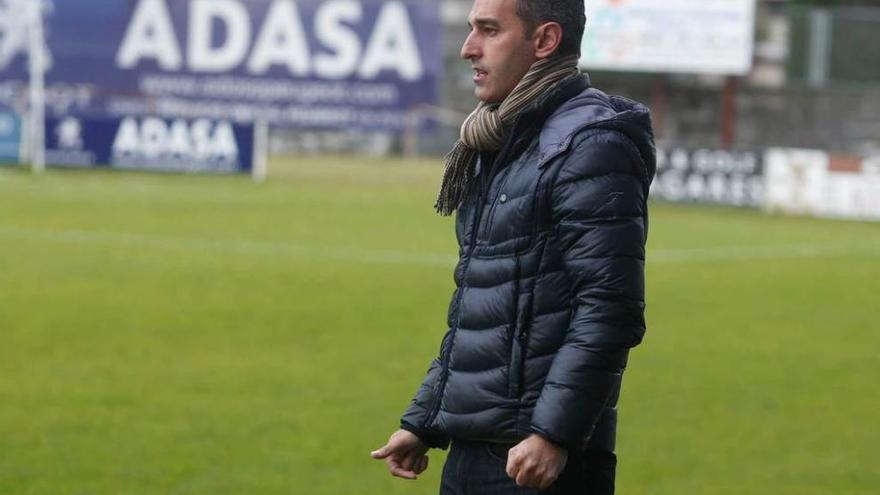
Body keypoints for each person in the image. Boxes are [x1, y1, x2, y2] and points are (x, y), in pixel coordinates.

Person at [371, 0, 655, 492]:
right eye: (470, 30)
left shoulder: (589, 144)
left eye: (488, 30)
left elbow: (610, 308)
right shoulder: (502, 140)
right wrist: (425, 419)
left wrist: (553, 435)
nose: (468, 49)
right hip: (473, 450)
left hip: (535, 462)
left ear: (544, 41)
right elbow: (482, 309)